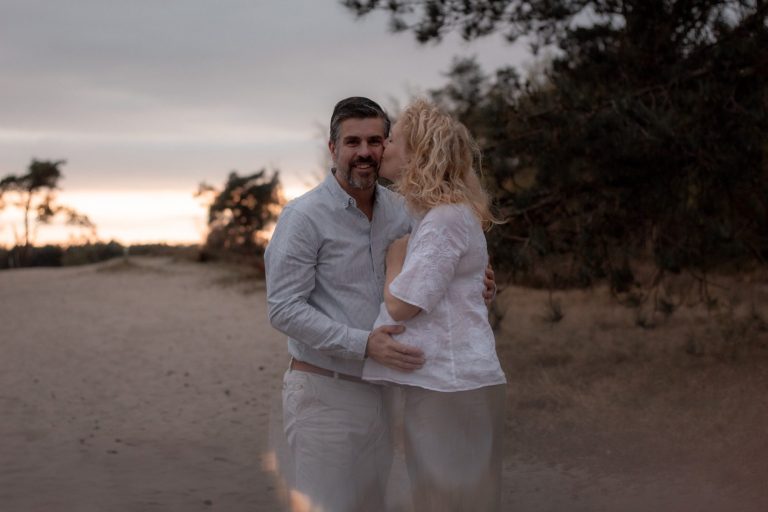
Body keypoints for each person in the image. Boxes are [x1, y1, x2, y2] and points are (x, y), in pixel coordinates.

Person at [265, 97, 495, 512]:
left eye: (376, 140)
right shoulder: (303, 217)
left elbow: (435, 268)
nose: (365, 152)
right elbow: (283, 307)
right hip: (324, 393)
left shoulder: (405, 211)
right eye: (352, 142)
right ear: (333, 149)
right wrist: (363, 343)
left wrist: (475, 282)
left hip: (388, 395)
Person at [362, 99, 507, 511]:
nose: (384, 147)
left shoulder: (443, 219)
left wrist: (395, 257)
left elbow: (405, 305)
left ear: (417, 154)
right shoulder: (443, 215)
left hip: (451, 388)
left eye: (393, 139)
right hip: (450, 385)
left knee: (445, 500)